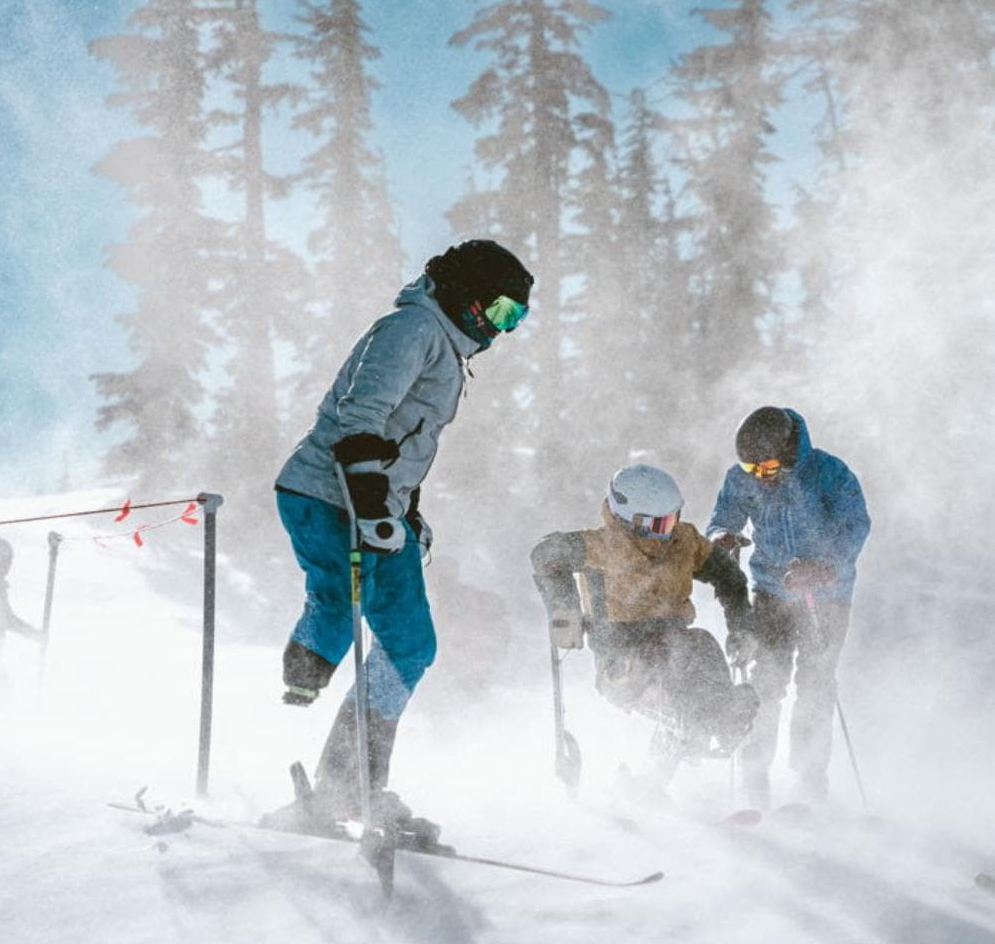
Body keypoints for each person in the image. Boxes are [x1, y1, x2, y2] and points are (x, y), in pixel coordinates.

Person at [271, 239, 533, 829]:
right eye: (499, 312)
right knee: (385, 631)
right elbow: (360, 418)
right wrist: (370, 505)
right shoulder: (412, 329)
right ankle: (344, 779)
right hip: (330, 496)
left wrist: (402, 509)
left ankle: (342, 765)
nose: (503, 330)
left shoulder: (438, 340)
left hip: (355, 502)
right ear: (467, 295)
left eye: (515, 319)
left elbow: (401, 441)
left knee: (404, 643)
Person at [530, 464, 759, 798]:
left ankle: (710, 726)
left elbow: (730, 577)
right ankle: (697, 723)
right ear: (626, 517)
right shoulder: (602, 545)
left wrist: (741, 628)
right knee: (666, 666)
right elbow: (545, 554)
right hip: (620, 662)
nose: (664, 534)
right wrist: (565, 609)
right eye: (654, 525)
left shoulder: (684, 541)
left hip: (674, 640)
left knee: (699, 645)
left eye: (670, 520)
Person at [706, 407, 871, 810]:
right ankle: (754, 772)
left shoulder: (829, 472)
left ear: (789, 451)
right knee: (767, 681)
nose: (760, 475)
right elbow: (723, 517)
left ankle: (809, 778)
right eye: (751, 467)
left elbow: (856, 526)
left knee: (815, 684)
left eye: (769, 466)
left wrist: (825, 567)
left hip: (826, 594)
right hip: (771, 590)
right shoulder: (742, 477)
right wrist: (723, 537)